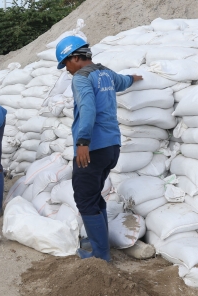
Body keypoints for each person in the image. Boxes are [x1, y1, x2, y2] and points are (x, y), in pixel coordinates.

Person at [55, 36, 143, 262]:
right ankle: (99, 245)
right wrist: (134, 78)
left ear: (75, 57)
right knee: (94, 196)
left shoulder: (81, 78)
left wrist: (83, 143)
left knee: (84, 198)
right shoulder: (105, 73)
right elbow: (122, 81)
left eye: (66, 63)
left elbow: (87, 108)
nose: (66, 69)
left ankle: (101, 257)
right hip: (112, 147)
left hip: (93, 148)